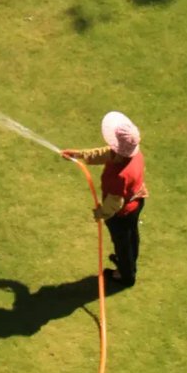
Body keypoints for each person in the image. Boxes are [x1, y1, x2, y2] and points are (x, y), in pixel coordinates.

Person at [60, 111, 147, 289]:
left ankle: (125, 275)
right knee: (131, 237)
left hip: (121, 213)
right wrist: (78, 155)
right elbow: (102, 154)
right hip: (137, 201)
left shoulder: (120, 175)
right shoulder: (132, 155)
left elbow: (115, 203)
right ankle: (128, 262)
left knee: (122, 243)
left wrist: (101, 213)